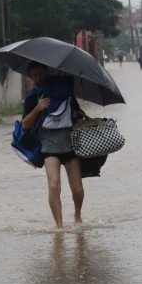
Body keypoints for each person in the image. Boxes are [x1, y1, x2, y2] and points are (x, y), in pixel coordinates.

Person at [21, 62, 87, 230]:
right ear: (30, 77)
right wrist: (38, 108)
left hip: (70, 145)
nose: (38, 78)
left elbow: (79, 115)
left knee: (77, 188)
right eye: (34, 75)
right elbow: (25, 125)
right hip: (49, 147)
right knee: (53, 185)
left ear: (47, 72)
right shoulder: (32, 97)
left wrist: (76, 115)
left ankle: (77, 215)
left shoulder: (64, 89)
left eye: (41, 74)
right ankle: (60, 228)